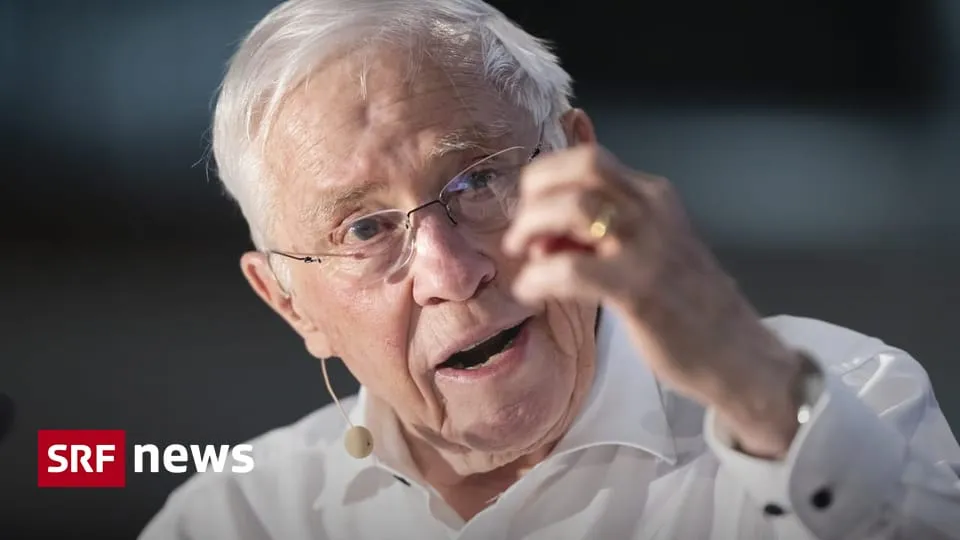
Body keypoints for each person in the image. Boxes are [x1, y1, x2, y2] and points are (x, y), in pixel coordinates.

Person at [139, 1, 960, 538]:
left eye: (477, 180)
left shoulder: (836, 400)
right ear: (289, 304)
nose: (451, 272)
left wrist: (747, 376)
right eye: (364, 228)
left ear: (581, 160)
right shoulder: (235, 515)